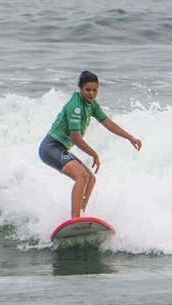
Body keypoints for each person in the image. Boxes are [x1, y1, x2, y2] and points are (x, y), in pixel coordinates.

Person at [38, 71, 142, 218]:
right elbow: (75, 138)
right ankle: (75, 219)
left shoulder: (91, 105)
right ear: (80, 88)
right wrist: (93, 154)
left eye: (95, 90)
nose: (91, 94)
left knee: (90, 179)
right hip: (51, 147)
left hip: (60, 148)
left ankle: (81, 216)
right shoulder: (75, 106)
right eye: (87, 90)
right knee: (81, 176)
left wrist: (130, 137)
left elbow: (109, 124)